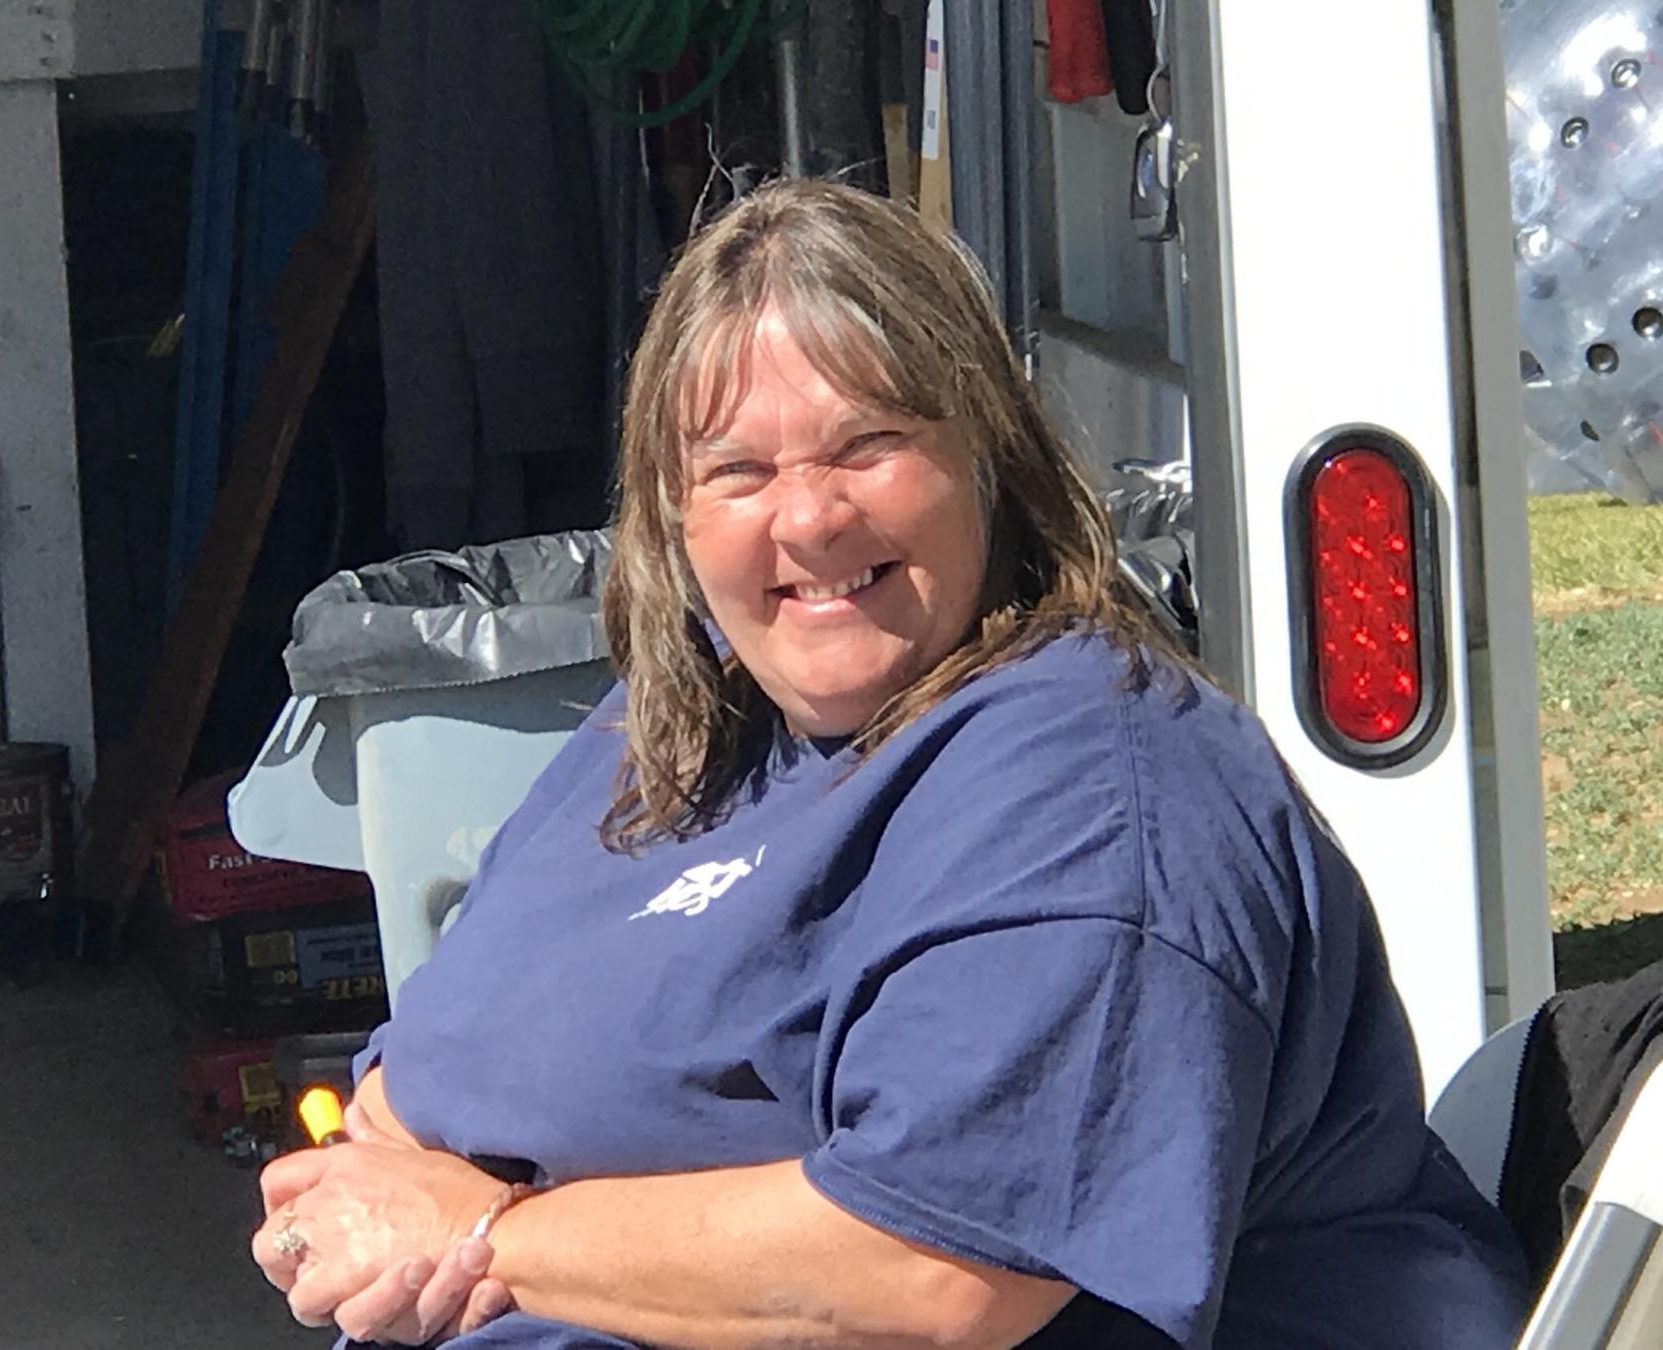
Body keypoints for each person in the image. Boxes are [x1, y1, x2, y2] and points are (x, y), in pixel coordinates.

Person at [252, 179, 1529, 1348]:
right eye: (739, 471)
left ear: (989, 454)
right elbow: (420, 1079)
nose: (809, 517)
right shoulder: (687, 728)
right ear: (671, 515)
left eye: (867, 444)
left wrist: (486, 1232)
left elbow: (937, 1270)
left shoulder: (1095, 789)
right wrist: (379, 1195)